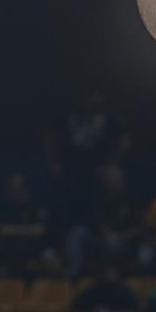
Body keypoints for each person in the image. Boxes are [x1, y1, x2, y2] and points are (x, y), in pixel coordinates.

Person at [45, 92, 130, 228]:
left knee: (112, 179)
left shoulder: (107, 120)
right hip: (71, 168)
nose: (90, 102)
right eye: (87, 98)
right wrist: (53, 163)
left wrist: (112, 163)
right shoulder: (69, 118)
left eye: (94, 97)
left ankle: (111, 225)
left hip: (98, 168)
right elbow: (50, 139)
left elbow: (124, 140)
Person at [66, 164, 140, 278]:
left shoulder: (131, 201)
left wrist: (119, 236)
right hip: (101, 239)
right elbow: (94, 223)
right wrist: (104, 234)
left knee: (112, 244)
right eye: (109, 180)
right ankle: (74, 273)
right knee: (77, 233)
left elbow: (139, 228)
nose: (113, 184)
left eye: (116, 180)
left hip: (122, 242)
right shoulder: (97, 200)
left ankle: (110, 275)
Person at [0, 173, 48, 277]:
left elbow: (40, 230)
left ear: (26, 190)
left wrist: (11, 230)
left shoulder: (35, 209)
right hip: (3, 254)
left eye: (18, 188)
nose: (14, 192)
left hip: (30, 255)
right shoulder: (1, 211)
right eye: (12, 188)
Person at [67, 264, 139, 312]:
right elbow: (76, 308)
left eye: (111, 272)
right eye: (105, 272)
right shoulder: (92, 290)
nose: (108, 275)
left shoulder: (124, 291)